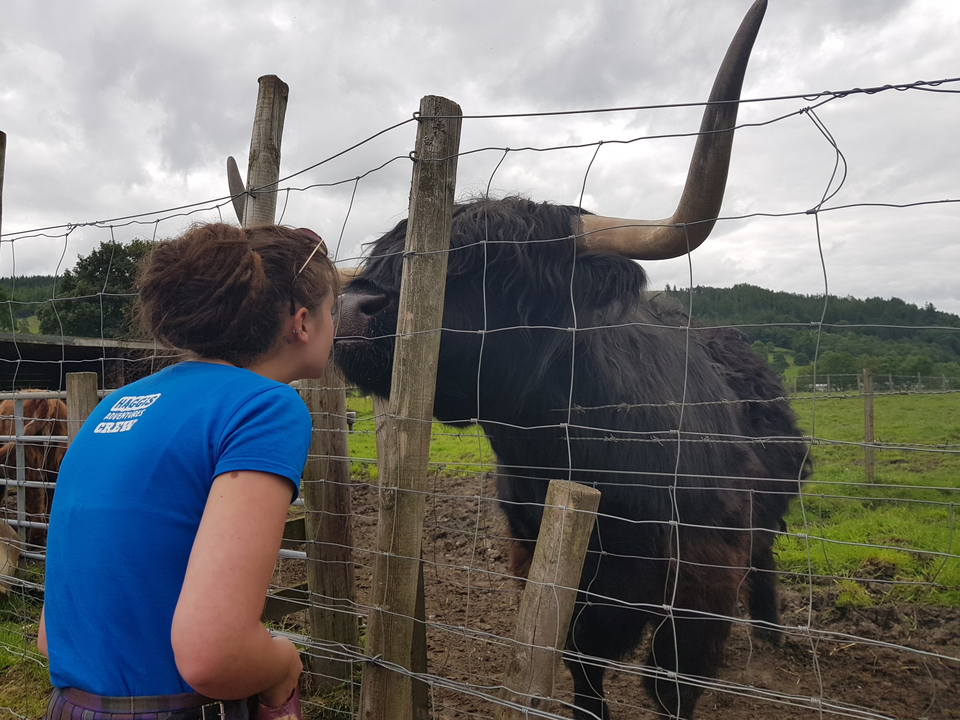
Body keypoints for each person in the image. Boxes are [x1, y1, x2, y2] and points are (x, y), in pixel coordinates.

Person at [38, 223, 340, 720]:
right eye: (333, 311)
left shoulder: (115, 408)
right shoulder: (265, 408)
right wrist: (284, 663)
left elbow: (55, 637)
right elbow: (211, 655)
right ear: (302, 322)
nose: (335, 324)